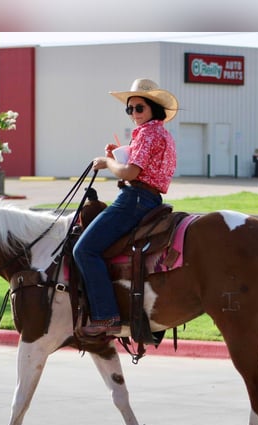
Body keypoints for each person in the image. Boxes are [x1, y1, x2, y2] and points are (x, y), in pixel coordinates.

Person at [73, 78, 179, 338]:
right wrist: (119, 155)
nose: (133, 114)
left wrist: (107, 163)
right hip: (151, 199)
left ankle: (106, 316)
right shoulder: (162, 133)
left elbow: (131, 171)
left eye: (138, 108)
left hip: (135, 200)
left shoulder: (148, 132)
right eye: (129, 109)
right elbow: (138, 164)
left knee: (84, 250)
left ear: (153, 108)